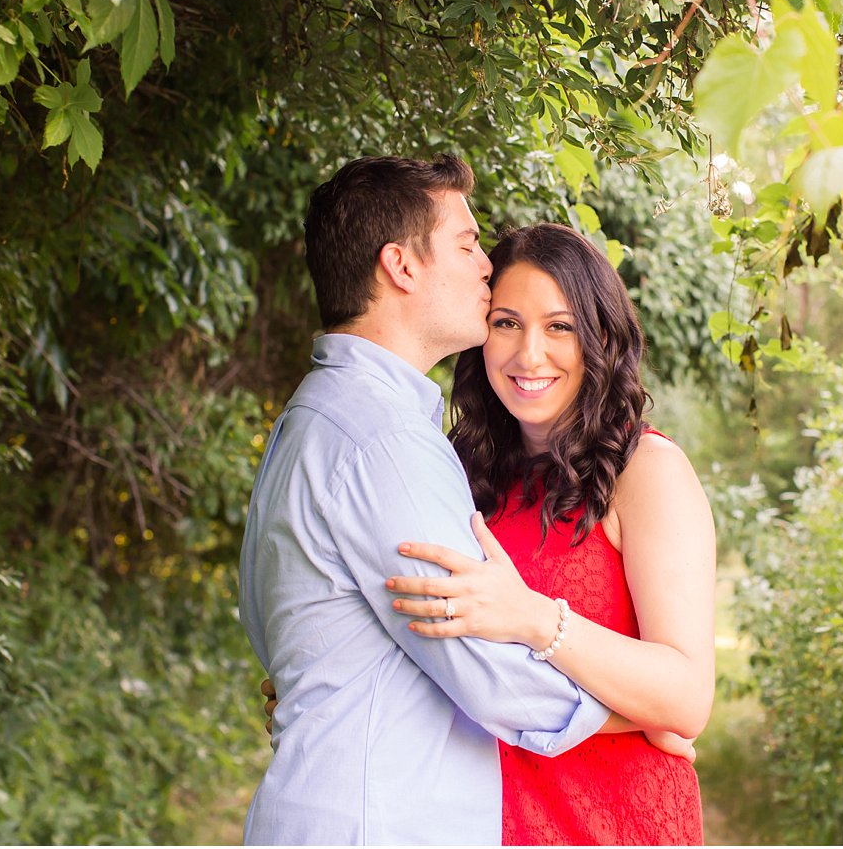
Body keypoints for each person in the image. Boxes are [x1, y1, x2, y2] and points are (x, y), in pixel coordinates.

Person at [238, 155, 621, 846]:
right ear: (401, 266)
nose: (486, 267)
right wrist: (637, 716)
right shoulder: (381, 438)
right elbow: (488, 672)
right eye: (468, 244)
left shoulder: (316, 416)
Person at [383, 223, 716, 845]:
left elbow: (686, 696)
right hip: (485, 821)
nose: (529, 354)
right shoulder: (456, 472)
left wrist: (534, 619)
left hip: (614, 823)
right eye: (507, 323)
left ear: (600, 337)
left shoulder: (646, 472)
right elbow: (442, 656)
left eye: (559, 327)